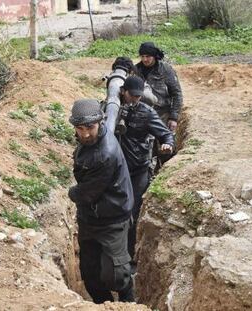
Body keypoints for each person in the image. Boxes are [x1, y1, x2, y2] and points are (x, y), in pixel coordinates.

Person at [68, 99, 135, 304]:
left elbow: (86, 193)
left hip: (112, 219)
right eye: (80, 128)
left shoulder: (105, 154)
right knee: (90, 275)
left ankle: (127, 300)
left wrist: (72, 193)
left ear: (101, 122)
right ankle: (103, 305)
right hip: (90, 217)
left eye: (90, 127)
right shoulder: (91, 141)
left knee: (116, 275)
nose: (85, 134)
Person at [118, 76, 175, 266]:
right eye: (132, 95)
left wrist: (167, 143)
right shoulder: (112, 108)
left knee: (132, 212)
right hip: (116, 171)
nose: (135, 99)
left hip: (137, 170)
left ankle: (130, 257)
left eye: (138, 96)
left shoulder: (147, 112)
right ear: (123, 91)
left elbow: (165, 133)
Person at [136, 41, 183, 132]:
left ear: (154, 56)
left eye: (148, 56)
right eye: (142, 56)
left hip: (162, 115)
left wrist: (173, 118)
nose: (145, 59)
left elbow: (177, 94)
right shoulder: (136, 70)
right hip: (141, 115)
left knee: (164, 143)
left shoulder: (165, 70)